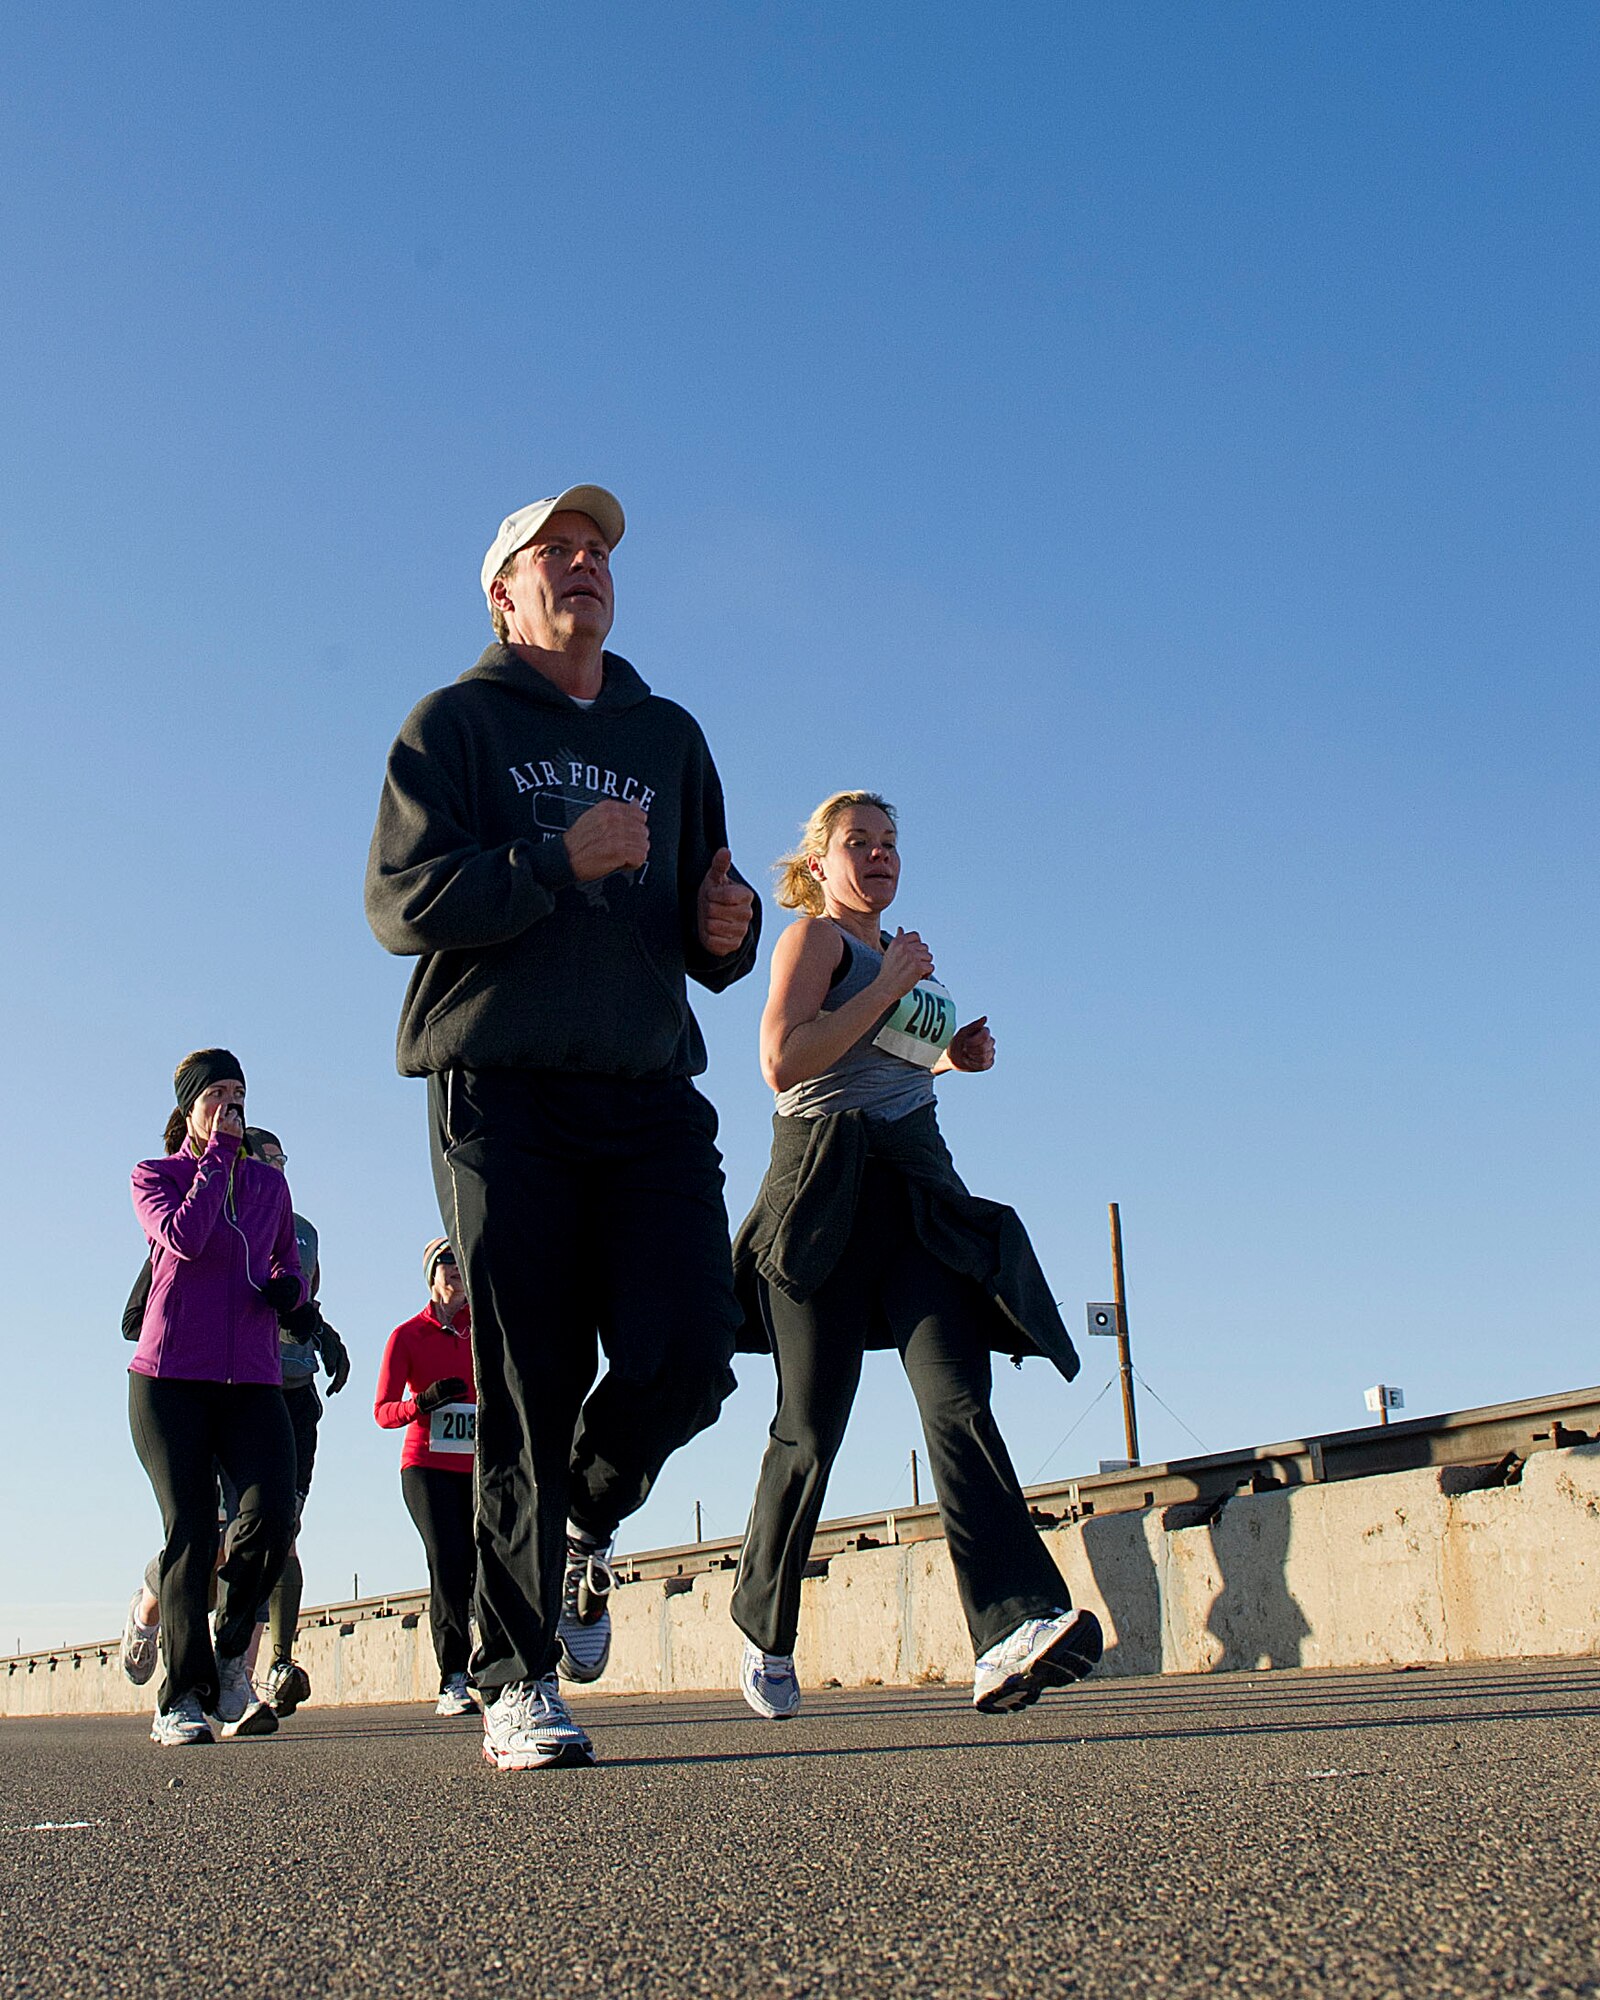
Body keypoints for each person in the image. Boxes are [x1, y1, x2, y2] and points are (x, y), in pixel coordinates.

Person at [365, 483, 760, 1771]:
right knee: (526, 1383)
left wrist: (729, 930)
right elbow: (399, 901)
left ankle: (584, 1517)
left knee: (696, 1348)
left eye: (598, 552)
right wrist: (551, 860)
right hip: (503, 1088)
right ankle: (516, 1671)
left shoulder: (669, 731)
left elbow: (706, 916)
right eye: (557, 552)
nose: (585, 565)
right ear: (505, 592)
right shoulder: (455, 723)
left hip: (646, 1090)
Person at [729, 793, 1102, 1720]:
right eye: (860, 843)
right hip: (823, 1195)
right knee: (810, 1430)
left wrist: (951, 1060)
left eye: (892, 843)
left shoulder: (904, 961)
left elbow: (880, 1055)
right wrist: (889, 983)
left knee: (957, 1398)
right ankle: (765, 1626)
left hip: (918, 1193)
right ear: (820, 862)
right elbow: (784, 1061)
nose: (882, 855)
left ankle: (1009, 1626)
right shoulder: (815, 943)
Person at [118, 1125, 350, 1716]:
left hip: (273, 1388)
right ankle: (171, 1646)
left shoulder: (296, 1220)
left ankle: (236, 1670)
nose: (276, 1166)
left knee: (277, 1528)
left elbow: (299, 1285)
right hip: (184, 1384)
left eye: (283, 1158)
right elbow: (144, 1302)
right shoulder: (181, 1188)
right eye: (264, 1155)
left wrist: (314, 1327)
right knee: (202, 1534)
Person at [128, 1049, 302, 1746]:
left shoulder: (270, 1187)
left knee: (272, 1516)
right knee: (193, 1531)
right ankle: (180, 1699)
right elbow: (184, 1239)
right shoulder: (156, 1174)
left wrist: (293, 1290)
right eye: (217, 1094)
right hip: (169, 1381)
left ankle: (232, 1657)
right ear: (190, 1107)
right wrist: (216, 1160)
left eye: (240, 1092)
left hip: (252, 1379)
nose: (232, 1104)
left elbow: (288, 1258)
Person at [374, 1239, 479, 1716]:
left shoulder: (485, 1331)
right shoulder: (407, 1336)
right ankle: (452, 1679)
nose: (454, 1269)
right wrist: (421, 1403)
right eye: (445, 1261)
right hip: (426, 1466)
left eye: (460, 1259)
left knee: (483, 1563)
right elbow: (382, 1411)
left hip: (478, 1466)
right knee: (448, 1559)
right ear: (431, 1276)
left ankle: (493, 1669)